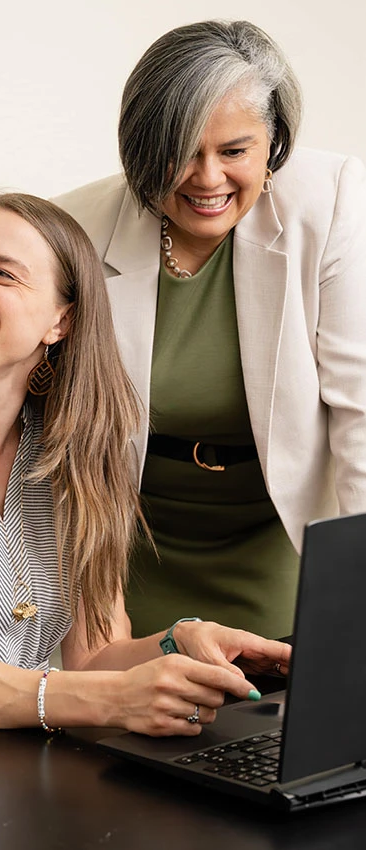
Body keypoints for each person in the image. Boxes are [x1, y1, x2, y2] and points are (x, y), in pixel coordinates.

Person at [0, 192, 289, 754]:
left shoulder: (75, 452)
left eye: (4, 274)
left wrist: (177, 644)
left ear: (60, 321)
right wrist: (109, 700)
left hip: (30, 764)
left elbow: (97, 656)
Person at [54, 20, 366, 640]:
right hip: (130, 555)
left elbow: (361, 411)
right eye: (182, 150)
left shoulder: (329, 201)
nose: (207, 178)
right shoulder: (74, 229)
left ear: (273, 143)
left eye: (234, 151)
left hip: (279, 539)